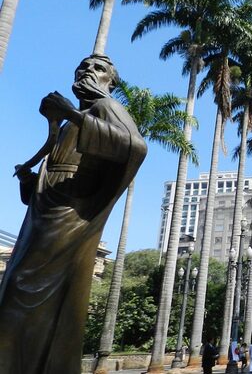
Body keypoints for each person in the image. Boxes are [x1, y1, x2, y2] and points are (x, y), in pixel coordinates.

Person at [0, 55, 147, 374]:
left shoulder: (105, 107)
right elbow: (48, 179)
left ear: (111, 80)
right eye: (84, 66)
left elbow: (134, 146)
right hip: (43, 216)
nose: (88, 71)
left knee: (19, 295)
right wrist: (30, 180)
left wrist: (70, 113)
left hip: (70, 216)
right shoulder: (75, 118)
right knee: (13, 289)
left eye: (99, 68)